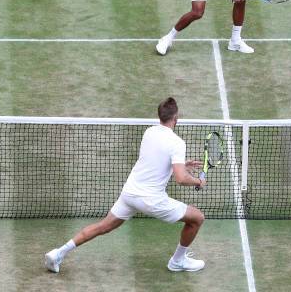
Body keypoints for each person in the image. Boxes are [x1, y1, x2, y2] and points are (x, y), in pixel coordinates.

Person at [44, 97, 207, 273]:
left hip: (130, 194)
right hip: (151, 200)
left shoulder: (149, 132)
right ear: (176, 118)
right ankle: (178, 261)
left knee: (103, 226)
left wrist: (181, 163)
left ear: (160, 116)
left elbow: (157, 158)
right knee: (197, 218)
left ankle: (58, 253)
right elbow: (181, 178)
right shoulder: (177, 143)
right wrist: (198, 181)